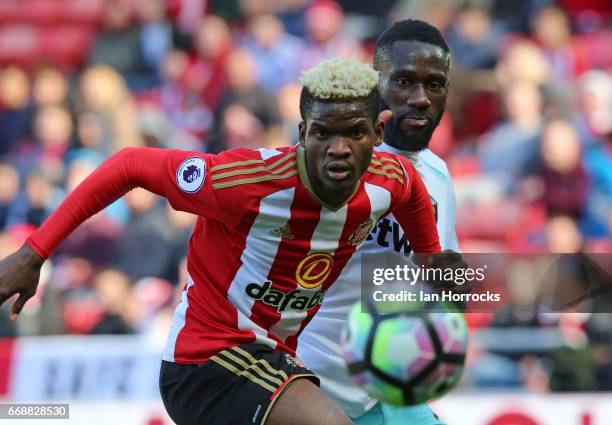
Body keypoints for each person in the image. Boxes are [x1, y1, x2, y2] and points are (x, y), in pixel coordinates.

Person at [0, 57, 445, 425]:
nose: (339, 148)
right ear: (302, 132)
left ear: (380, 133)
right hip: (206, 360)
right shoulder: (243, 181)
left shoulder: (394, 179)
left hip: (278, 361)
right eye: (323, 133)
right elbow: (130, 163)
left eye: (355, 133)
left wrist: (432, 260)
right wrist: (33, 253)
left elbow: (414, 201)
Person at [298, 20, 459, 425]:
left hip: (389, 387)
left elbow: (439, 283)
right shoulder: (334, 165)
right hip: (310, 386)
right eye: (404, 81)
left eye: (434, 84)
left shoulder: (439, 177)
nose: (420, 98)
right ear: (377, 86)